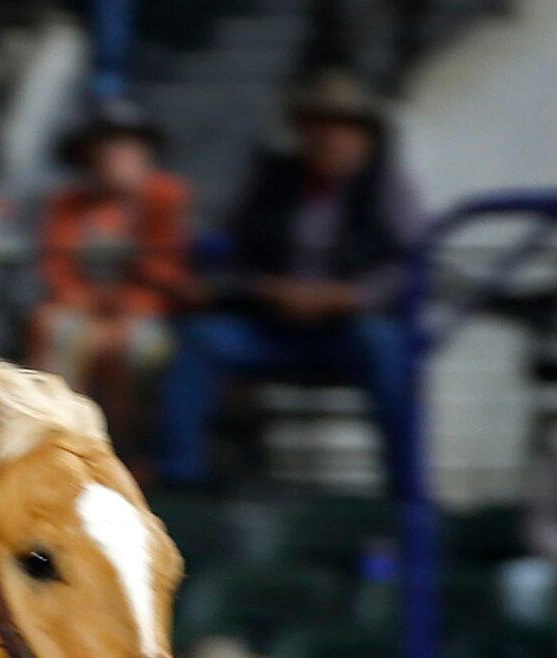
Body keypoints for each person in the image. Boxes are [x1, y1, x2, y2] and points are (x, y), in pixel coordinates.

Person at [157, 69, 422, 497]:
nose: (329, 139)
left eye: (343, 128)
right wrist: (265, 288)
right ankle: (181, 478)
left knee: (388, 347)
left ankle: (406, 492)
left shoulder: (387, 186)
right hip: (271, 324)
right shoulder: (270, 182)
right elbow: (231, 251)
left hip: (347, 328)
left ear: (364, 137)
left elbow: (412, 264)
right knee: (202, 341)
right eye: (320, 126)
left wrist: (347, 297)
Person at [30, 97, 192, 454]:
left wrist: (126, 306)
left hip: (143, 311)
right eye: (105, 148)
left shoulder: (166, 197)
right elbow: (56, 272)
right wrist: (91, 308)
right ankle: (60, 444)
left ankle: (132, 451)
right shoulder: (68, 203)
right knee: (53, 327)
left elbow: (170, 274)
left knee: (136, 347)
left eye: (126, 147)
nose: (115, 156)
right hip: (83, 311)